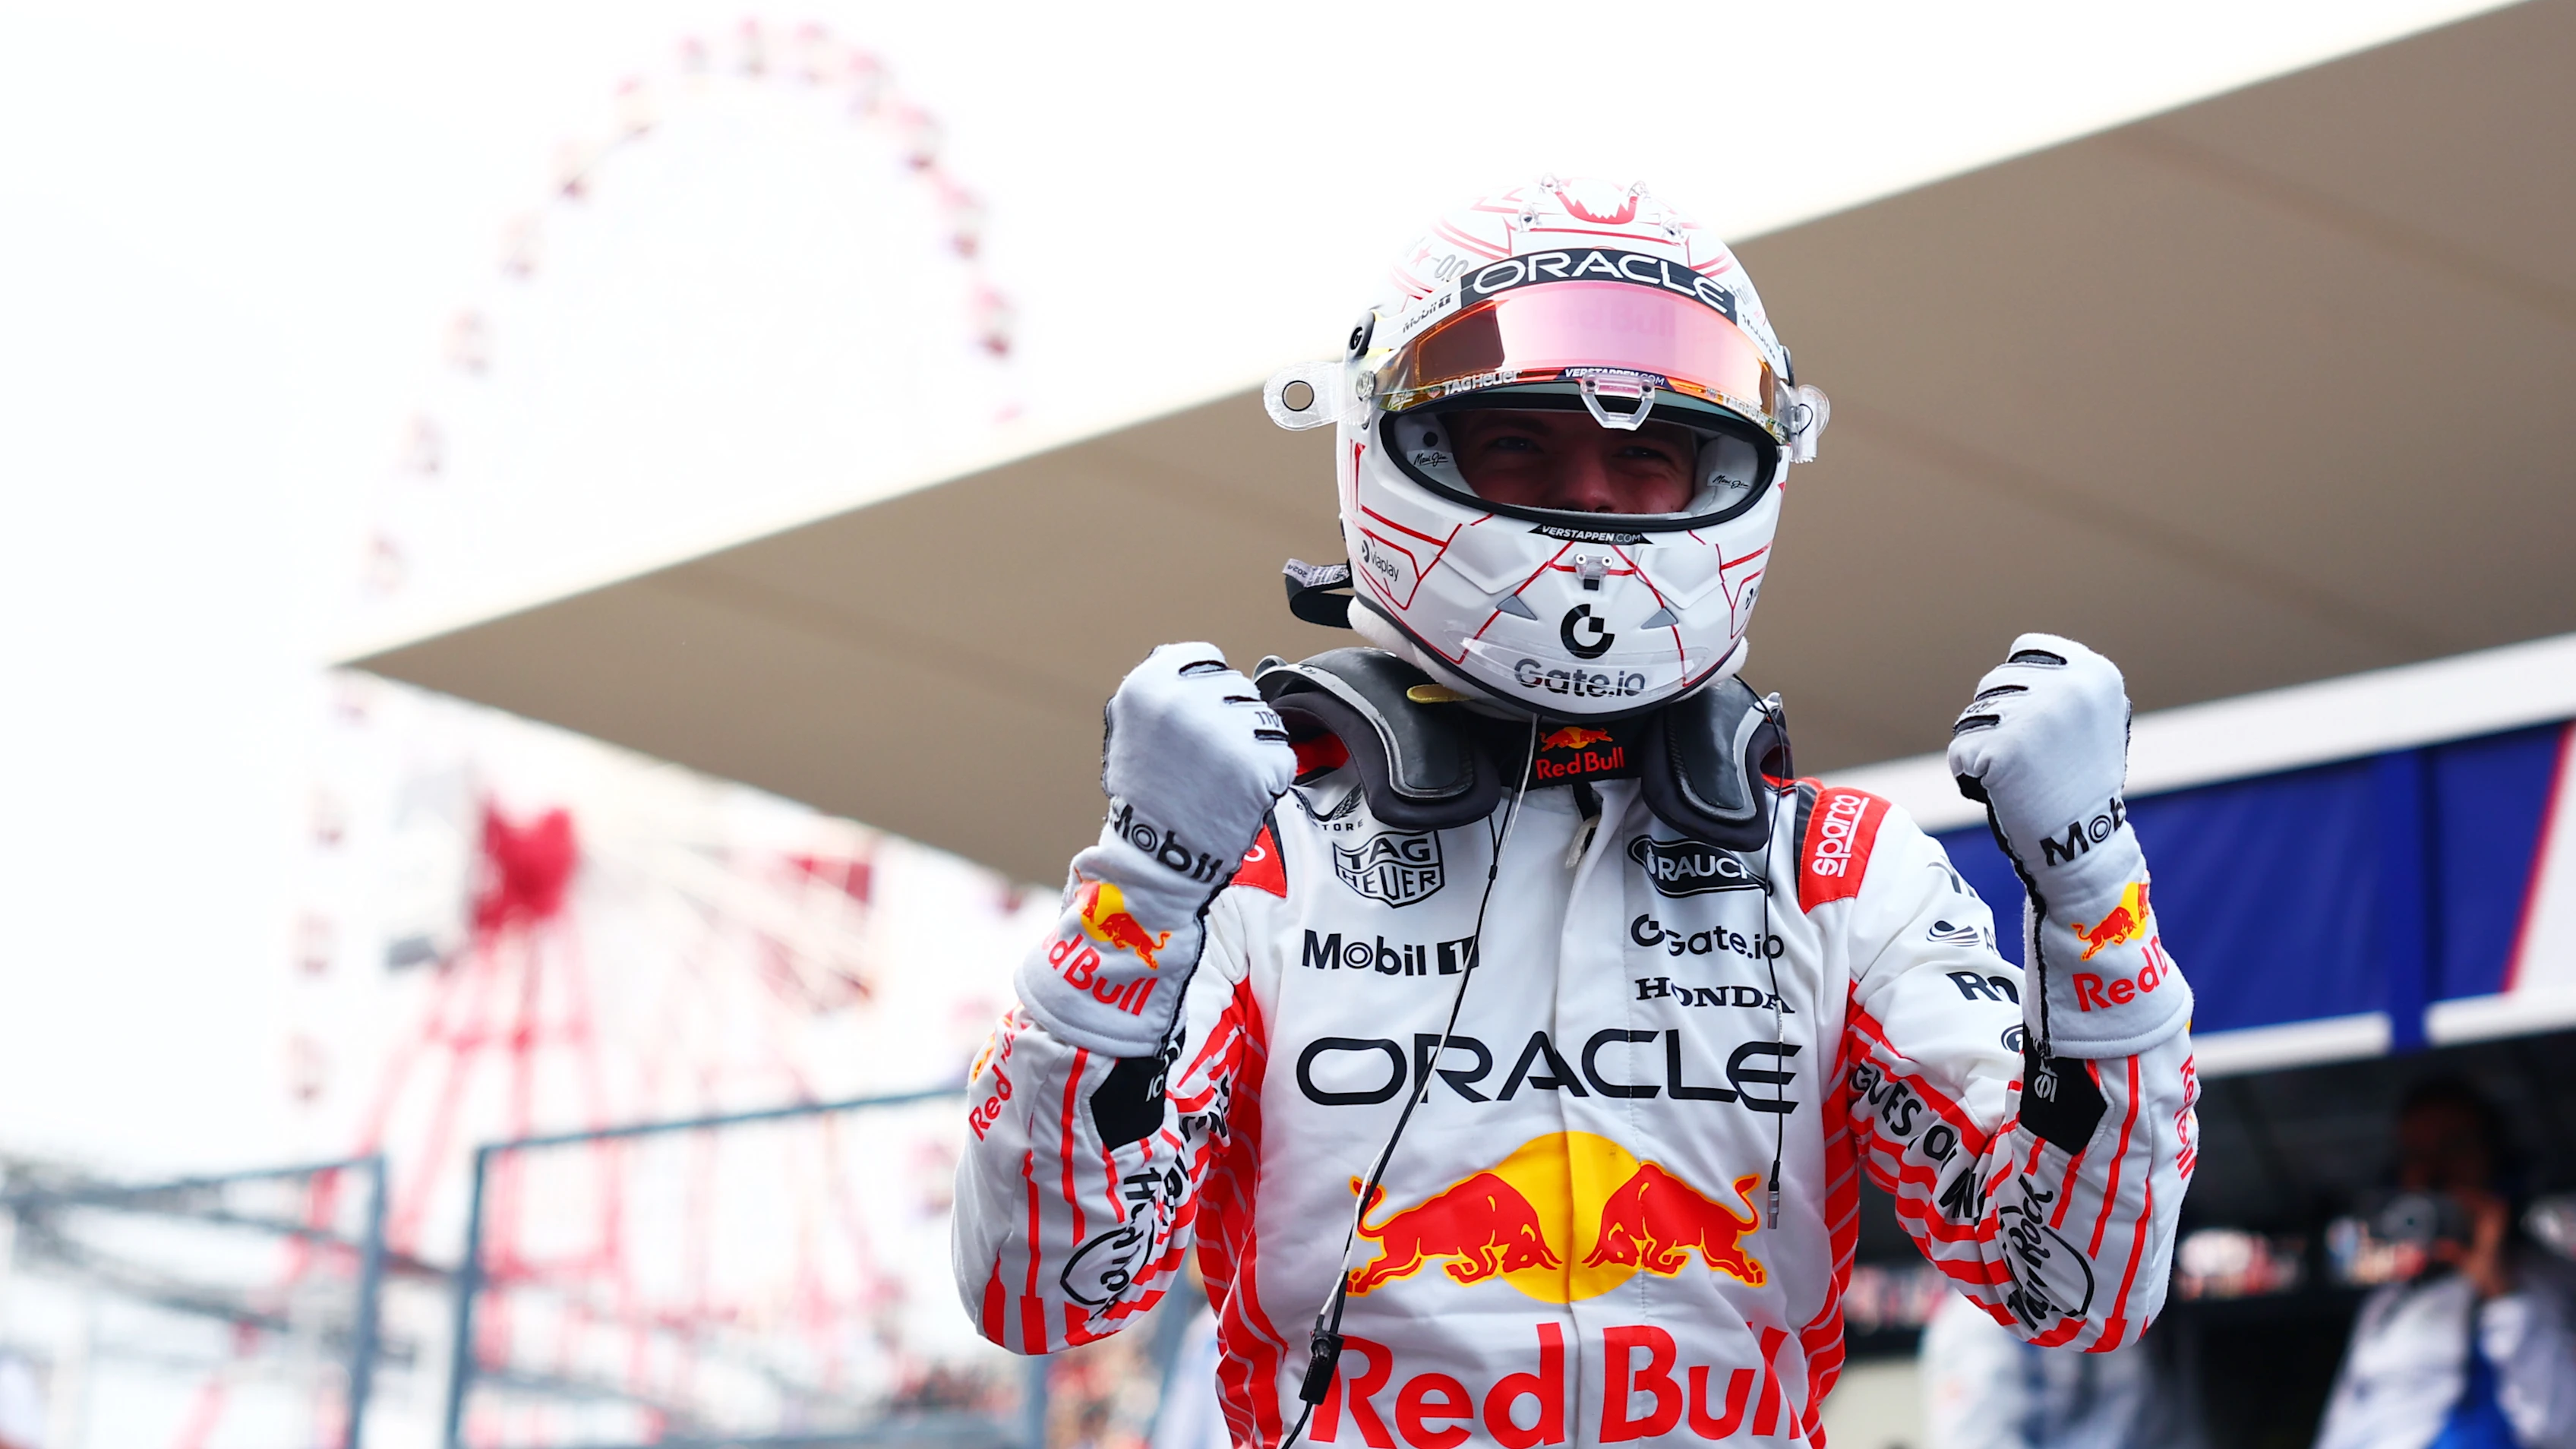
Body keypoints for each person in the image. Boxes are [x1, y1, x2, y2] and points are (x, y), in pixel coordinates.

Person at [952, 177, 2200, 1447]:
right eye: (1518, 442)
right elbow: (1034, 1290)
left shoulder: (1839, 871)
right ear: (1395, 450)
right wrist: (1142, 890)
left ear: (1731, 474)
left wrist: (2091, 891)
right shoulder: (1258, 865)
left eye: (1645, 454)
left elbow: (2074, 1288)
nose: (1591, 495)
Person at [2314, 1079, 2576, 1449]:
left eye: (2455, 1148)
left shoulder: (2549, 1281)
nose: (2434, 1173)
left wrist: (2501, 1292)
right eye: (2416, 1156)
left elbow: (2561, 1425)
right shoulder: (2388, 1305)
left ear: (2496, 1158)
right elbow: (2339, 1429)